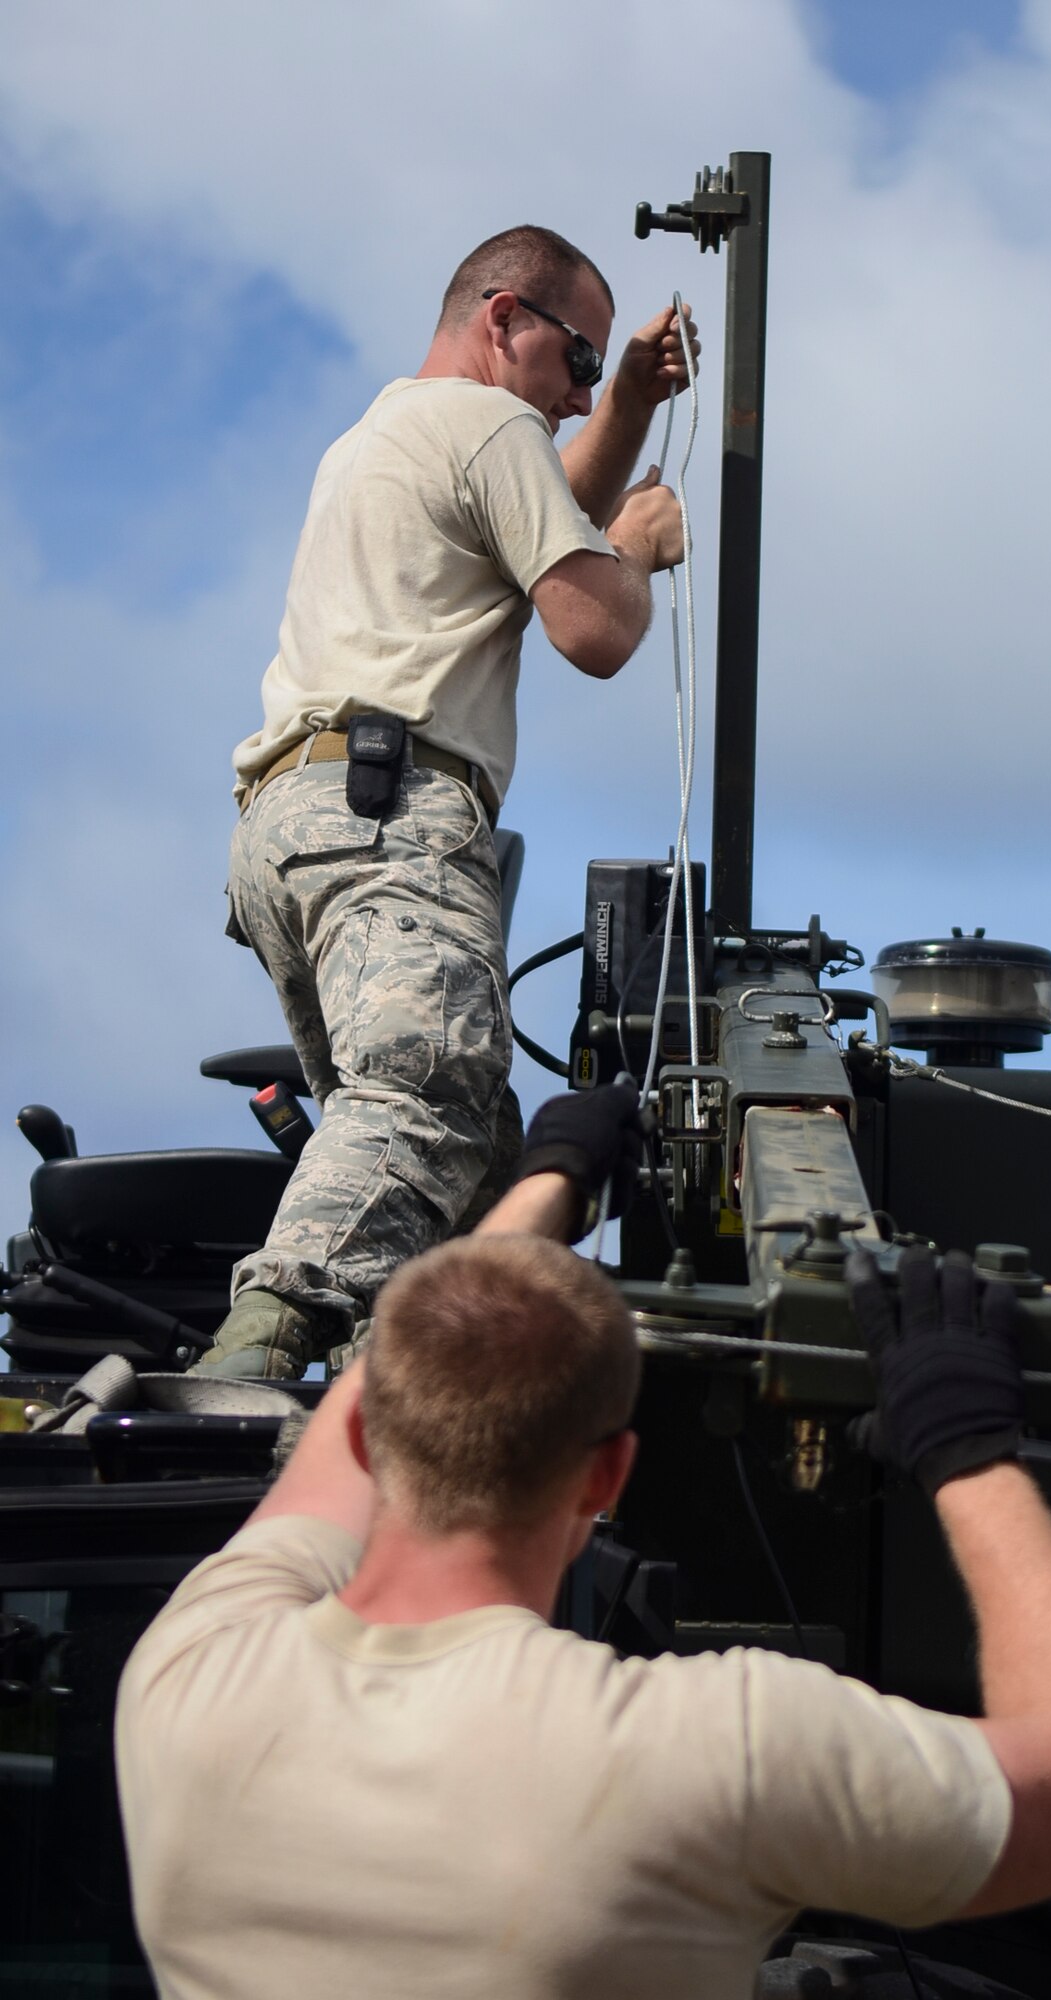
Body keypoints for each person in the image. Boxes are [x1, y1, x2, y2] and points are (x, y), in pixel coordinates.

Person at [117, 1084, 1051, 2000]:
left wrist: (550, 1178)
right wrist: (966, 1444)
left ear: (363, 1435)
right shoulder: (707, 1748)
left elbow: (372, 1388)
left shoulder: (189, 1669)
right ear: (608, 1477)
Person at [199, 225, 694, 1378]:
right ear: (504, 316)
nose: (577, 398)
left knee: (469, 1175)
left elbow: (544, 524)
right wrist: (637, 551)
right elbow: (593, 623)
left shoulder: (391, 430)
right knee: (430, 1088)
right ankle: (252, 1361)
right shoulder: (490, 423)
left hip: (296, 825)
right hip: (392, 818)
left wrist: (627, 399)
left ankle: (400, 1404)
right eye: (578, 361)